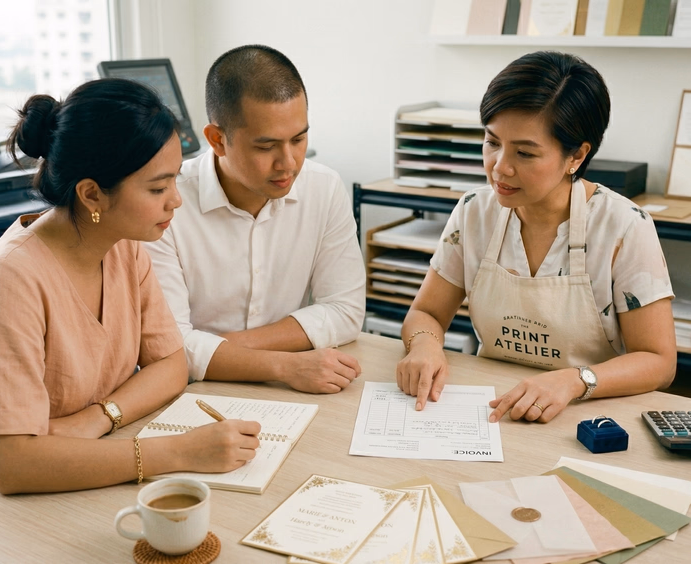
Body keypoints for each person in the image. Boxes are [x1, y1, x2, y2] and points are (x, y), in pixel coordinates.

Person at [0, 79, 261, 493]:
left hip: (94, 459)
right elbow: (14, 465)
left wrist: (97, 418)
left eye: (174, 180)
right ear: (91, 195)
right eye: (157, 187)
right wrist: (178, 452)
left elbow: (171, 365)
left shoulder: (123, 248)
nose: (176, 200)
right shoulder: (8, 280)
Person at [396, 51, 676, 423]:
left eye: (525, 153)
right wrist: (425, 346)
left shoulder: (624, 226)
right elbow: (426, 313)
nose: (500, 168)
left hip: (587, 413)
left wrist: (575, 381)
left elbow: (658, 361)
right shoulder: (474, 211)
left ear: (576, 155)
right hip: (493, 408)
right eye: (492, 142)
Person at [145, 45, 366, 393]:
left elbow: (346, 311)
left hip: (286, 387)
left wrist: (224, 347)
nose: (289, 163)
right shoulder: (163, 204)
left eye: (299, 139)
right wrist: (283, 364)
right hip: (190, 392)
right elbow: (167, 348)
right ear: (218, 140)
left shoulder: (324, 187)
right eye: (266, 147)